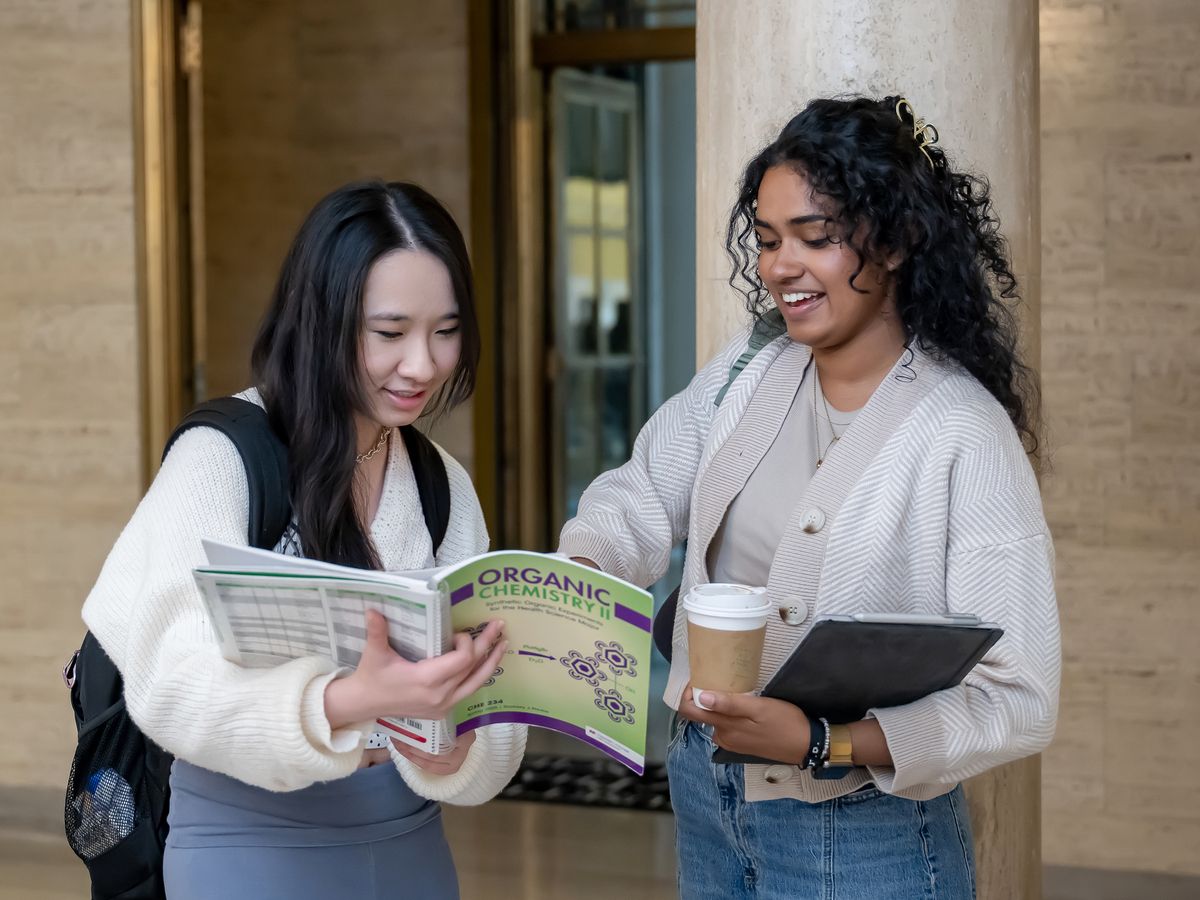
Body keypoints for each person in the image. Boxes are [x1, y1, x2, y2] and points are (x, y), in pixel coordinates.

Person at [559, 96, 1060, 898]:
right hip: (706, 790)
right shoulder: (750, 368)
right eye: (767, 240)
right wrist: (580, 571)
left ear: (894, 241)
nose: (779, 267)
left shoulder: (963, 432)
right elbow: (641, 494)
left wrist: (824, 742)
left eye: (814, 238)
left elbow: (1019, 697)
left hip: (864, 831)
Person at [82, 180, 527, 899]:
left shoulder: (440, 482)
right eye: (390, 333)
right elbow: (170, 686)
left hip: (408, 843)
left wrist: (457, 738)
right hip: (245, 845)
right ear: (322, 320)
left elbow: (494, 725)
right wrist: (345, 701)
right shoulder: (221, 457)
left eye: (445, 331)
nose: (422, 365)